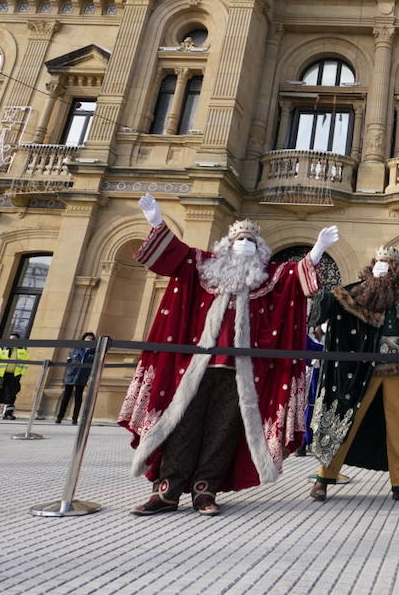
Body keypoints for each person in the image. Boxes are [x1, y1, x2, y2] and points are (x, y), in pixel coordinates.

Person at [119, 194, 337, 517]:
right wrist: (155, 221)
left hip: (241, 373)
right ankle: (167, 490)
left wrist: (317, 251)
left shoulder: (268, 278)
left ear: (260, 250)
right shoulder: (204, 267)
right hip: (197, 366)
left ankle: (204, 489)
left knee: (224, 430)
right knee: (182, 424)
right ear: (227, 244)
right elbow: (176, 255)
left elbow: (294, 278)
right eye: (239, 239)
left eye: (251, 240)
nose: (245, 244)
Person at [309, 246, 399, 506]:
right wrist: (316, 281)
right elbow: (332, 303)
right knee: (345, 421)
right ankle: (323, 479)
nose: (382, 266)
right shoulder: (358, 291)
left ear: (397, 269)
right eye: (378, 262)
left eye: (387, 263)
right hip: (362, 369)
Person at [56, 332, 97, 424]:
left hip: (82, 376)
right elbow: (69, 361)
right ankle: (60, 416)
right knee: (66, 396)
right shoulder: (75, 350)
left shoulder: (94, 353)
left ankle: (74, 418)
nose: (88, 340)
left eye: (91, 339)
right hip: (71, 375)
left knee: (78, 397)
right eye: (87, 338)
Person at [0, 332, 29, 420]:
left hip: (13, 375)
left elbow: (25, 363)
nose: (12, 341)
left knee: (11, 394)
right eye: (10, 339)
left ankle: (8, 413)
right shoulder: (3, 348)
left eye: (14, 340)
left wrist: (20, 374)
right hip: (1, 374)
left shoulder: (22, 350)